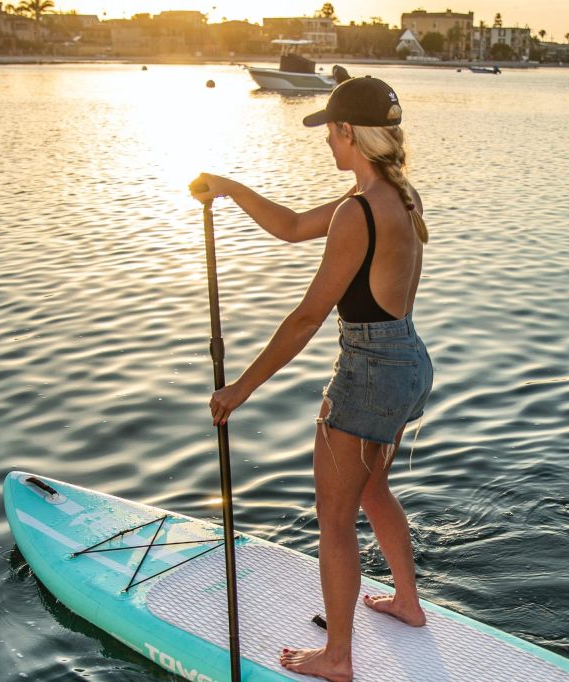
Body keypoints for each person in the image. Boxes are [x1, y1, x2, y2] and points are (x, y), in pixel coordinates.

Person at [190, 76, 433, 682]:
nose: (326, 138)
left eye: (330, 128)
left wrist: (238, 389)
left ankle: (338, 657)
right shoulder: (399, 196)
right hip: (407, 360)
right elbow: (294, 225)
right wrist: (226, 188)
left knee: (334, 517)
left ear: (350, 132)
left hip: (369, 371)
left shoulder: (358, 212)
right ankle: (407, 603)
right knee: (373, 491)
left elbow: (305, 319)